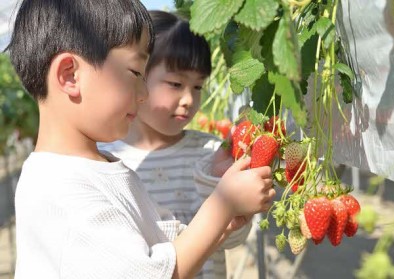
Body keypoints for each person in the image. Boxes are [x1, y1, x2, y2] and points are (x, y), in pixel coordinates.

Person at [7, 1, 276, 278]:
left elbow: (167, 243)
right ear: (70, 75)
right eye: (136, 73)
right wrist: (224, 204)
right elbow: (153, 273)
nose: (143, 93)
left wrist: (226, 220)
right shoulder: (61, 188)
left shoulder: (101, 168)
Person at [99, 10, 250, 278]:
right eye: (176, 83)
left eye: (198, 87)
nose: (188, 99)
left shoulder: (210, 153)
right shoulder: (107, 162)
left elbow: (232, 239)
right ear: (138, 78)